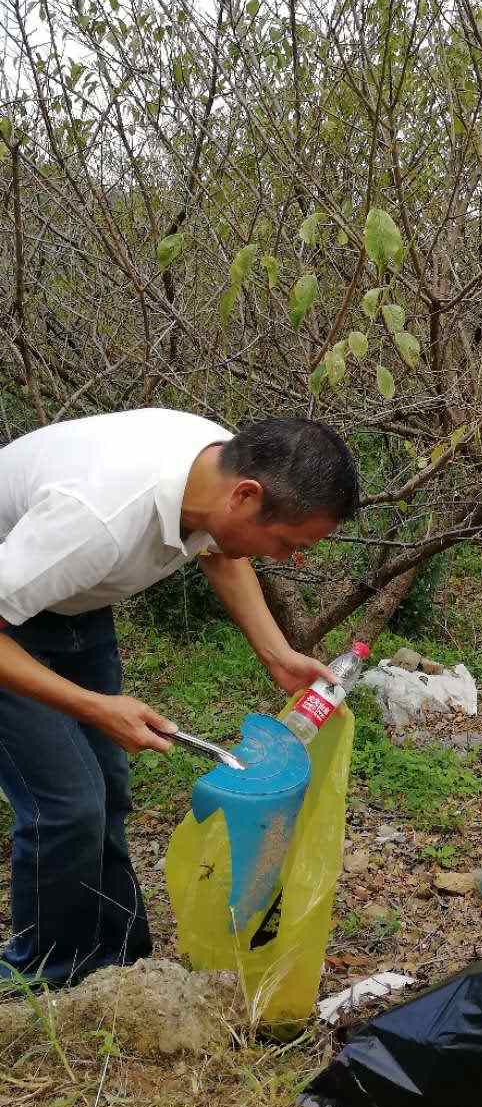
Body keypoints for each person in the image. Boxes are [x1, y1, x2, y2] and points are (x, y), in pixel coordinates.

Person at [0, 408, 360, 988]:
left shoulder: (214, 467)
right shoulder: (97, 519)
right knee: (68, 804)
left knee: (108, 789)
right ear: (245, 496)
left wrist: (276, 654)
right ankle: (41, 973)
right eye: (288, 543)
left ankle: (115, 953)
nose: (284, 560)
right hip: (14, 608)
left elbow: (220, 550)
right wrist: (95, 706)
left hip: (67, 598)